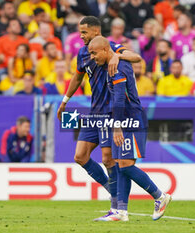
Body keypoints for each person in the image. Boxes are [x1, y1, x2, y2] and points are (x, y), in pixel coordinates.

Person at [56, 16, 141, 220]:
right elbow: (77, 76)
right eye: (80, 32)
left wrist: (117, 57)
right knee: (80, 156)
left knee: (109, 159)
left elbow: (136, 57)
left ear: (96, 32)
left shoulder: (111, 47)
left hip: (108, 112)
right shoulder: (83, 53)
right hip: (93, 111)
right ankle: (113, 192)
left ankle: (117, 207)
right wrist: (65, 100)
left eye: (84, 32)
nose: (81, 36)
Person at [88, 36, 171, 221]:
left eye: (94, 53)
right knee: (120, 163)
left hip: (130, 120)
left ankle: (160, 196)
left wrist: (117, 126)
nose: (93, 57)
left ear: (105, 50)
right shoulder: (112, 62)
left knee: (125, 165)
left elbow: (119, 99)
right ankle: (121, 211)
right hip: (123, 120)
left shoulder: (116, 67)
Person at [0, 19, 29, 90]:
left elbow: (27, 56)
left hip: (21, 67)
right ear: (8, 29)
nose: (18, 26)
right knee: (0, 73)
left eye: (18, 25)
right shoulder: (1, 40)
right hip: (6, 68)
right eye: (14, 25)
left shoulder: (24, 40)